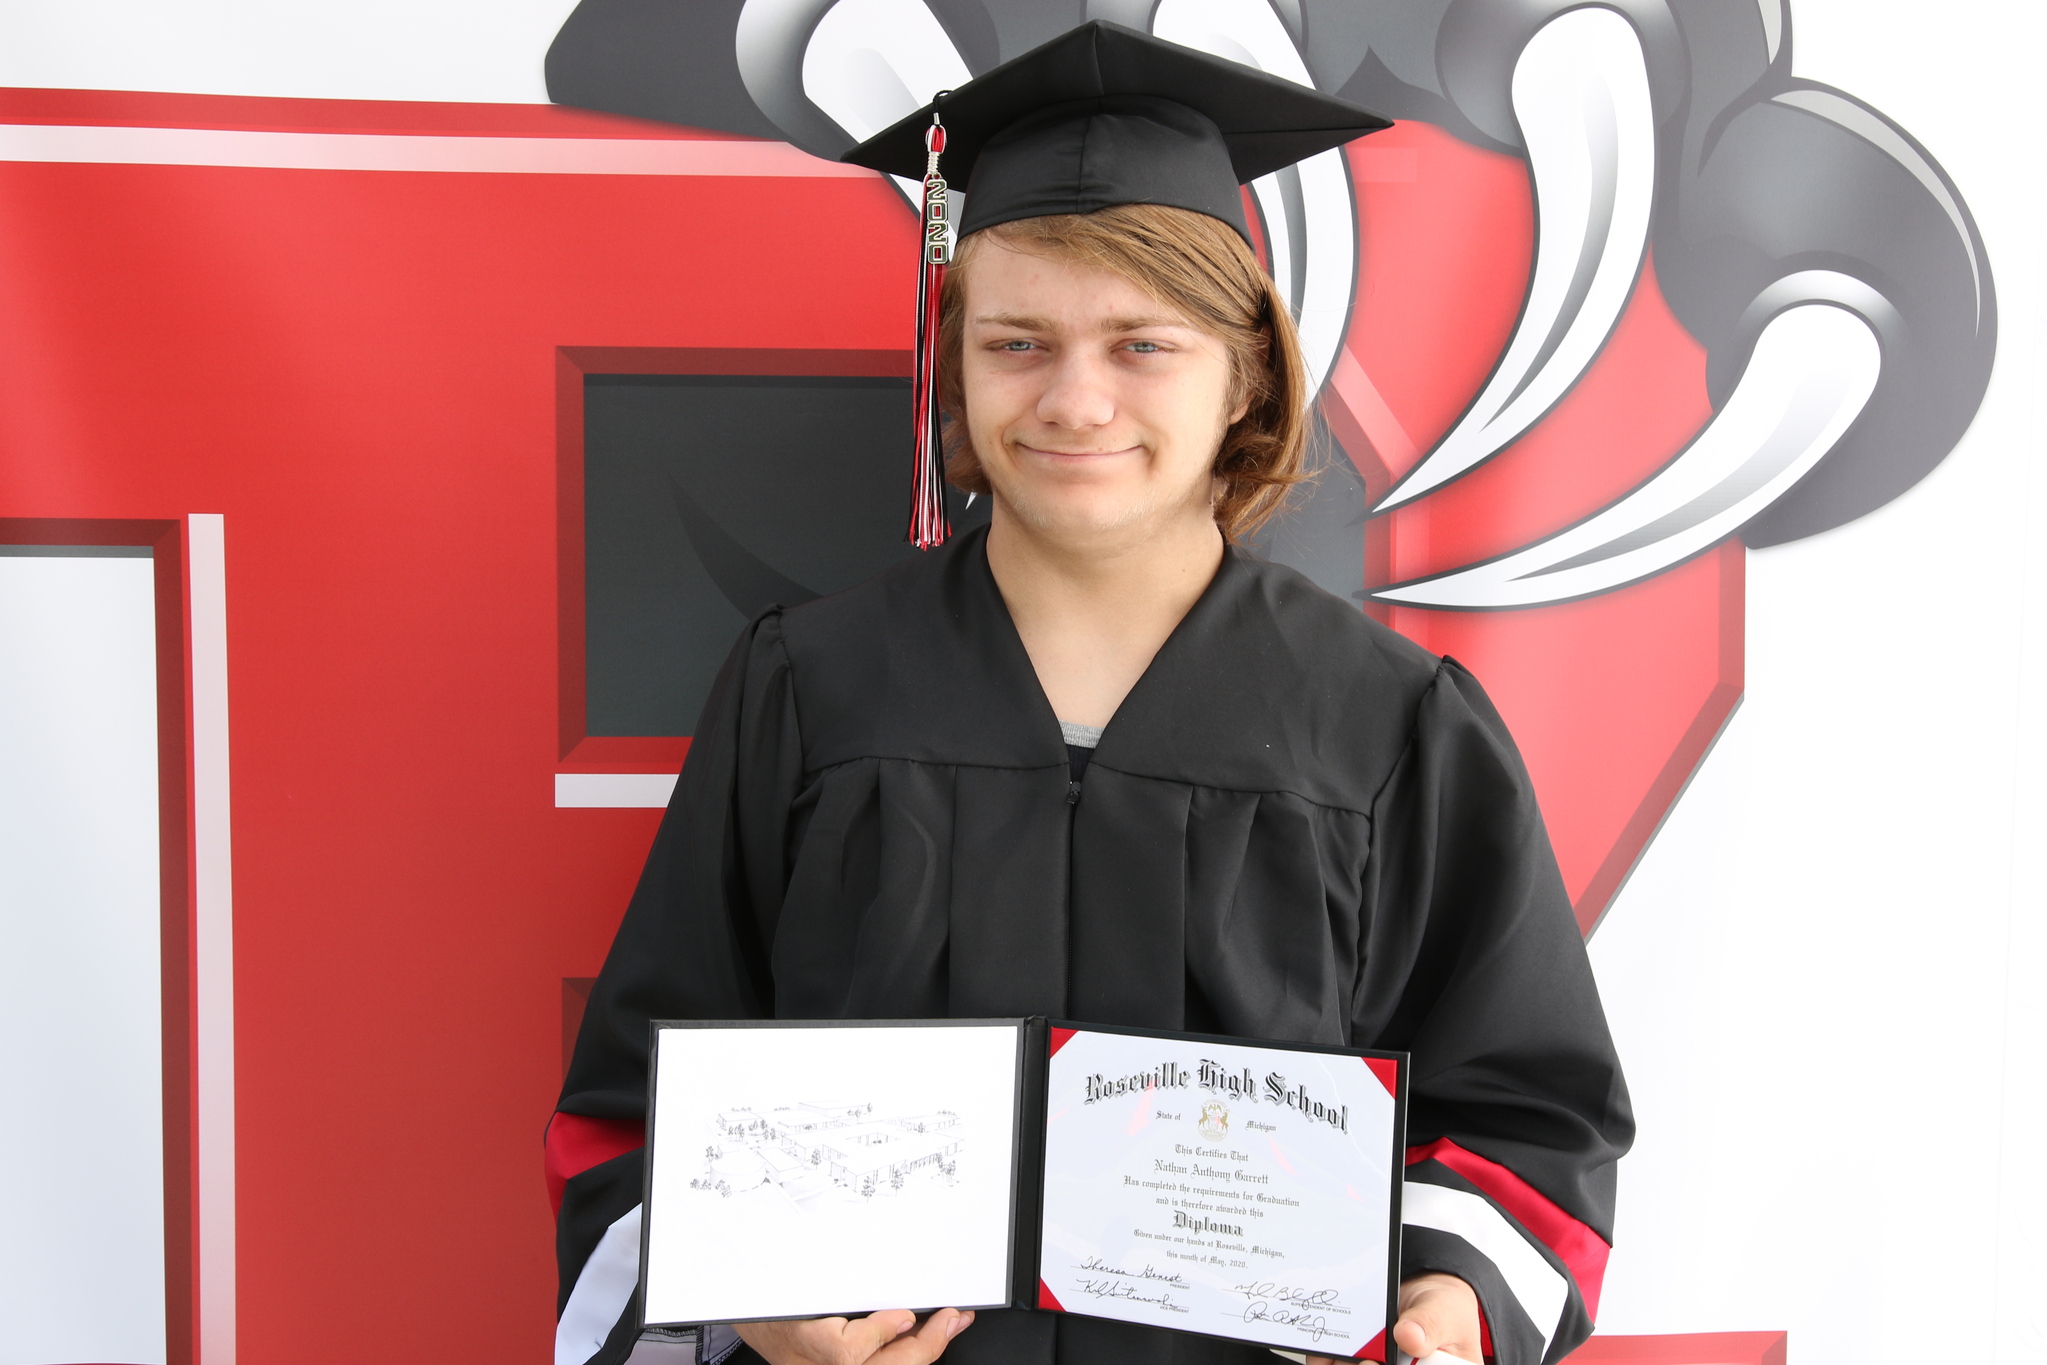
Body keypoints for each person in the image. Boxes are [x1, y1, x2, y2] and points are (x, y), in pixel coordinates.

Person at [548, 22, 1631, 1365]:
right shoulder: (813, 691)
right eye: (1017, 341)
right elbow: (634, 1107)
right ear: (953, 361)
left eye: (1142, 346)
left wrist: (1451, 1300)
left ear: (1245, 374)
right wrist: (744, 1299)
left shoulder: (1389, 728)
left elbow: (1531, 1117)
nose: (1074, 401)